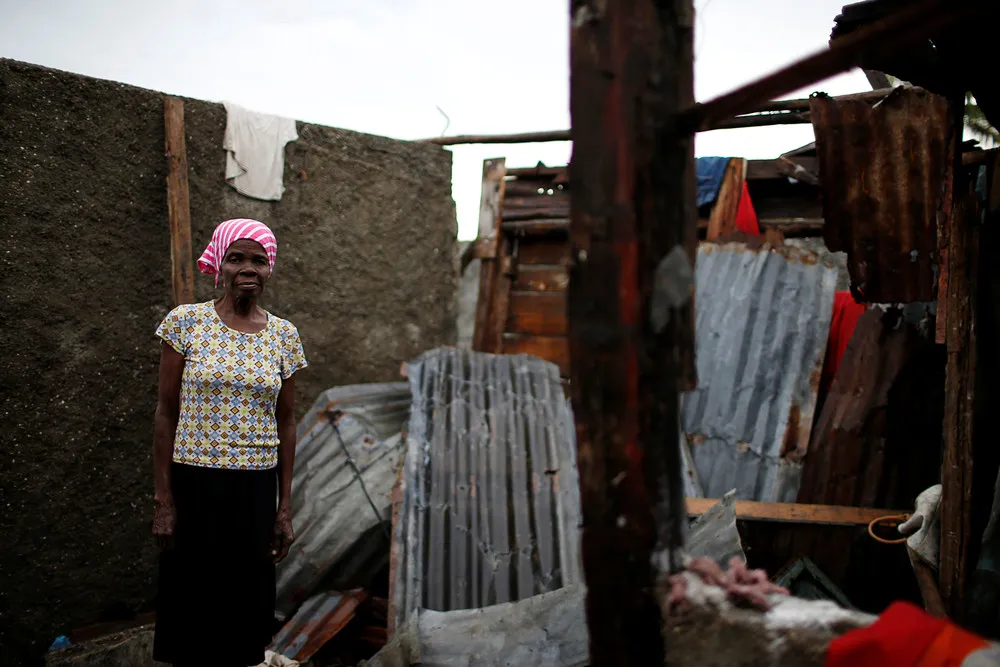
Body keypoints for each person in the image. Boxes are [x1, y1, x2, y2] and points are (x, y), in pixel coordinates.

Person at [150, 218, 307, 666]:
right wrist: (164, 501)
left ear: (270, 268)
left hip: (254, 490)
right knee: (190, 601)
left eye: (259, 260)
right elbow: (165, 412)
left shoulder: (283, 335)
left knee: (245, 605)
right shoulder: (186, 323)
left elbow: (289, 421)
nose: (248, 268)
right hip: (193, 484)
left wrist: (283, 507)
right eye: (237, 257)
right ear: (219, 262)